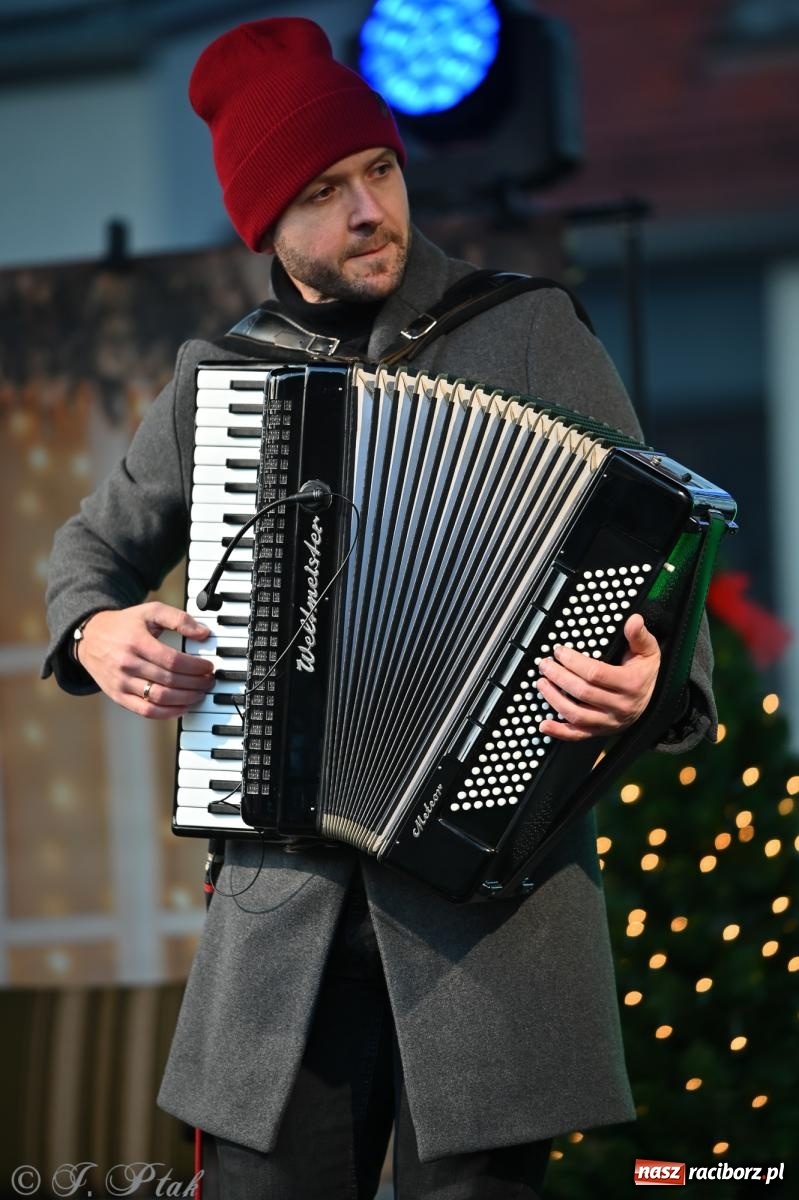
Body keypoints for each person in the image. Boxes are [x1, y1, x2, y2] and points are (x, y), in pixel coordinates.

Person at [43, 17, 716, 1200]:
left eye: (378, 171)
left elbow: (659, 553)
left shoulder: (527, 331)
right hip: (281, 929)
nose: (368, 210)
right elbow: (87, 554)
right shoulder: (227, 383)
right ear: (268, 225)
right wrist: (95, 631)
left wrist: (656, 684)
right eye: (322, 190)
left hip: (492, 922)